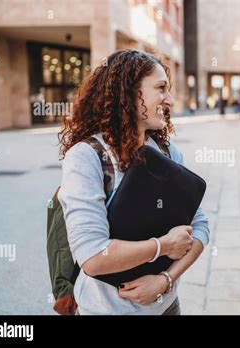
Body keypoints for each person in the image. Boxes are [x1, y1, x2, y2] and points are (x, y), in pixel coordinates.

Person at [58, 50, 210, 315]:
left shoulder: (167, 152)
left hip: (167, 307)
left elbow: (200, 226)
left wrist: (165, 280)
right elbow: (92, 257)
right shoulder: (87, 157)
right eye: (161, 88)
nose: (170, 100)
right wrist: (163, 246)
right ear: (127, 93)